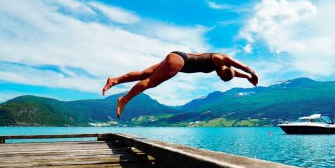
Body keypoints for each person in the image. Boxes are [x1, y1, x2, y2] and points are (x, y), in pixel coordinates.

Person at [102, 51, 259, 118]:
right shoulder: (220, 59)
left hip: (176, 56)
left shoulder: (220, 67)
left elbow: (235, 73)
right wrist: (252, 72)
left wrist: (246, 77)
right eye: (221, 74)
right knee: (152, 82)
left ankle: (115, 80)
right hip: (180, 61)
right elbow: (238, 65)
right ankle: (124, 99)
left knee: (145, 74)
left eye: (220, 76)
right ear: (226, 67)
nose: (218, 74)